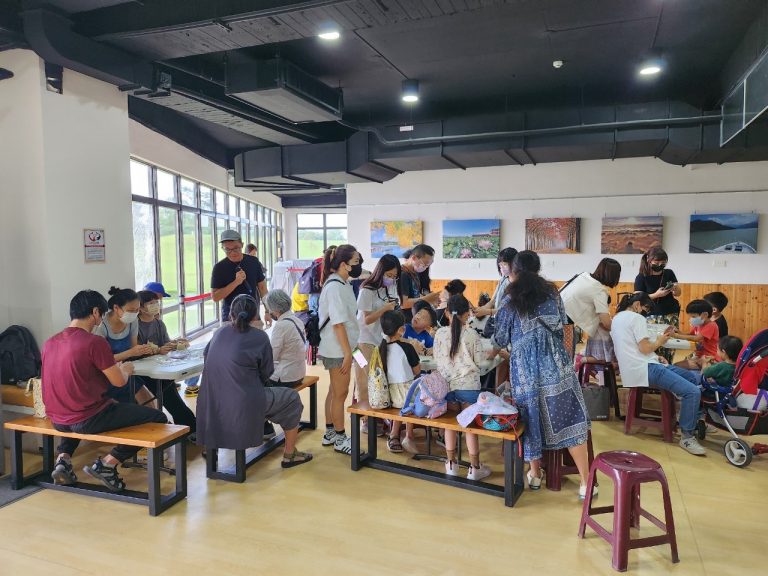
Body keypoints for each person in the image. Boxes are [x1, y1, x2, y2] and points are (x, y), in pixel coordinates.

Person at [42, 290, 167, 492]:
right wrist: (126, 370)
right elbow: (119, 381)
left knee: (76, 410)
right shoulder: (94, 342)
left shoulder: (50, 342)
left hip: (57, 419)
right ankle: (108, 464)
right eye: (101, 313)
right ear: (95, 312)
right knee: (158, 417)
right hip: (89, 418)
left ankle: (63, 459)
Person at [492, 250, 592, 497]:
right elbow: (562, 324)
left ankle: (535, 474)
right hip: (556, 363)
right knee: (570, 418)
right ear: (537, 269)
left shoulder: (509, 298)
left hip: (525, 371)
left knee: (530, 419)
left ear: (514, 270)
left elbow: (500, 337)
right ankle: (586, 482)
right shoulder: (552, 293)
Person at [196, 295, 312, 468]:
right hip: (243, 401)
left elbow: (208, 358)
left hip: (212, 399)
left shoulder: (219, 332)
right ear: (255, 316)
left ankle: (212, 446)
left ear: (231, 314)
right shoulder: (260, 336)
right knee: (291, 398)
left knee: (252, 395)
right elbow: (267, 372)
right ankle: (290, 454)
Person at [610, 292, 706, 456]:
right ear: (637, 305)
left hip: (638, 367)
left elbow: (634, 348)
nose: (645, 313)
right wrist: (660, 341)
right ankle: (687, 436)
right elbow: (645, 348)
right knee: (693, 391)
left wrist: (655, 355)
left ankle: (691, 418)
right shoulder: (636, 318)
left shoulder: (617, 318)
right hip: (645, 369)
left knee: (691, 377)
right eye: (645, 309)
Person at [435, 294, 502, 481]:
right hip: (469, 388)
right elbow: (479, 363)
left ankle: (451, 465)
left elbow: (437, 359)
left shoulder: (440, 334)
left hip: (447, 387)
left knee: (450, 425)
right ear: (467, 314)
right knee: (469, 427)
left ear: (446, 313)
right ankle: (474, 468)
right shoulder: (472, 334)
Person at [318, 244, 363, 455]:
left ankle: (330, 432)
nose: (359, 266)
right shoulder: (334, 287)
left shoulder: (343, 283)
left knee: (335, 391)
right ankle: (339, 436)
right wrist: (347, 354)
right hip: (339, 349)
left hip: (349, 345)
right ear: (344, 265)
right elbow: (337, 324)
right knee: (341, 393)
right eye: (356, 262)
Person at [135, 290, 197, 437]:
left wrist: (176, 344)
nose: (155, 306)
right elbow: (138, 350)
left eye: (156, 302)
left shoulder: (159, 323)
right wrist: (159, 350)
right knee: (170, 396)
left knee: (171, 394)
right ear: (141, 308)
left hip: (160, 366)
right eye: (151, 303)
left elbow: (165, 344)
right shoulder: (135, 326)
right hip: (143, 370)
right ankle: (190, 427)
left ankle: (188, 427)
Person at [355, 254, 401, 413]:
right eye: (389, 275)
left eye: (394, 276)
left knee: (377, 378)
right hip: (361, 343)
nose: (391, 279)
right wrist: (385, 308)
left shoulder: (390, 287)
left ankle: (374, 414)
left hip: (379, 340)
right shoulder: (366, 290)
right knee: (364, 379)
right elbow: (366, 319)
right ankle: (365, 417)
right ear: (380, 271)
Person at [93, 286, 155, 403]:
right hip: (108, 374)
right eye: (131, 310)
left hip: (127, 369)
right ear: (116, 308)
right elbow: (103, 361)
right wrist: (131, 352)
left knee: (148, 399)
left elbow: (133, 347)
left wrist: (144, 350)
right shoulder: (101, 327)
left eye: (137, 310)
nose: (135, 313)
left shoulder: (133, 321)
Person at [561, 258, 622, 372]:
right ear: (613, 276)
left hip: (552, 312)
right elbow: (606, 322)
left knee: (559, 354)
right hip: (564, 320)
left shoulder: (584, 276)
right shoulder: (599, 290)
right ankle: (567, 378)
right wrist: (620, 328)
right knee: (566, 355)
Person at [380, 311, 421, 454]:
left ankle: (394, 435)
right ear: (401, 330)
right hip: (404, 396)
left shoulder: (381, 348)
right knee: (414, 394)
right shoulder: (407, 347)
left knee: (405, 400)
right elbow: (417, 371)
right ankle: (409, 435)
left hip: (386, 395)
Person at [211, 229, 269, 326]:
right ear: (222, 248)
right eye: (227, 249)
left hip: (253, 317)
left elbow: (262, 288)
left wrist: (268, 311)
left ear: (242, 245)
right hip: (230, 319)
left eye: (236, 248)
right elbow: (215, 297)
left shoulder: (254, 262)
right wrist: (236, 282)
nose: (232, 253)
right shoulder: (219, 268)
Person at [265, 289, 307, 388]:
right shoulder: (298, 321)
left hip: (286, 377)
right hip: (300, 373)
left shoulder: (281, 325)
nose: (270, 312)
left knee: (255, 378)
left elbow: (272, 356)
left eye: (270, 309)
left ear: (276, 309)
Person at [634, 247, 681, 325]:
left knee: (671, 332)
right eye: (656, 262)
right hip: (651, 314)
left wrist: (675, 288)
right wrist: (656, 295)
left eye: (663, 263)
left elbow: (678, 293)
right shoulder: (641, 277)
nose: (660, 265)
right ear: (648, 260)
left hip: (671, 312)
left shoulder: (669, 273)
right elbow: (637, 298)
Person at [672, 299, 719, 370]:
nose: (691, 319)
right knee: (677, 365)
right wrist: (677, 331)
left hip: (708, 358)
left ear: (705, 315)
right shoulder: (699, 324)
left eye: (693, 317)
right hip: (699, 355)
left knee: (678, 366)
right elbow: (689, 334)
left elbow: (697, 338)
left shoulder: (711, 325)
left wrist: (677, 336)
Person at [474, 247, 518, 319]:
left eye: (504, 264)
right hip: (497, 320)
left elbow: (509, 312)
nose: (502, 268)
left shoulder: (519, 284)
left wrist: (487, 312)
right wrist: (481, 309)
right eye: (500, 265)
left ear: (514, 264)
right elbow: (493, 301)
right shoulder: (503, 280)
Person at [399, 244, 441, 321]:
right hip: (404, 319)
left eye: (428, 265)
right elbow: (403, 304)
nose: (425, 267)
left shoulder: (415, 273)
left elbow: (415, 296)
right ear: (414, 258)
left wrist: (431, 300)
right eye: (424, 264)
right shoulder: (403, 275)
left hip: (413, 317)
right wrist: (427, 299)